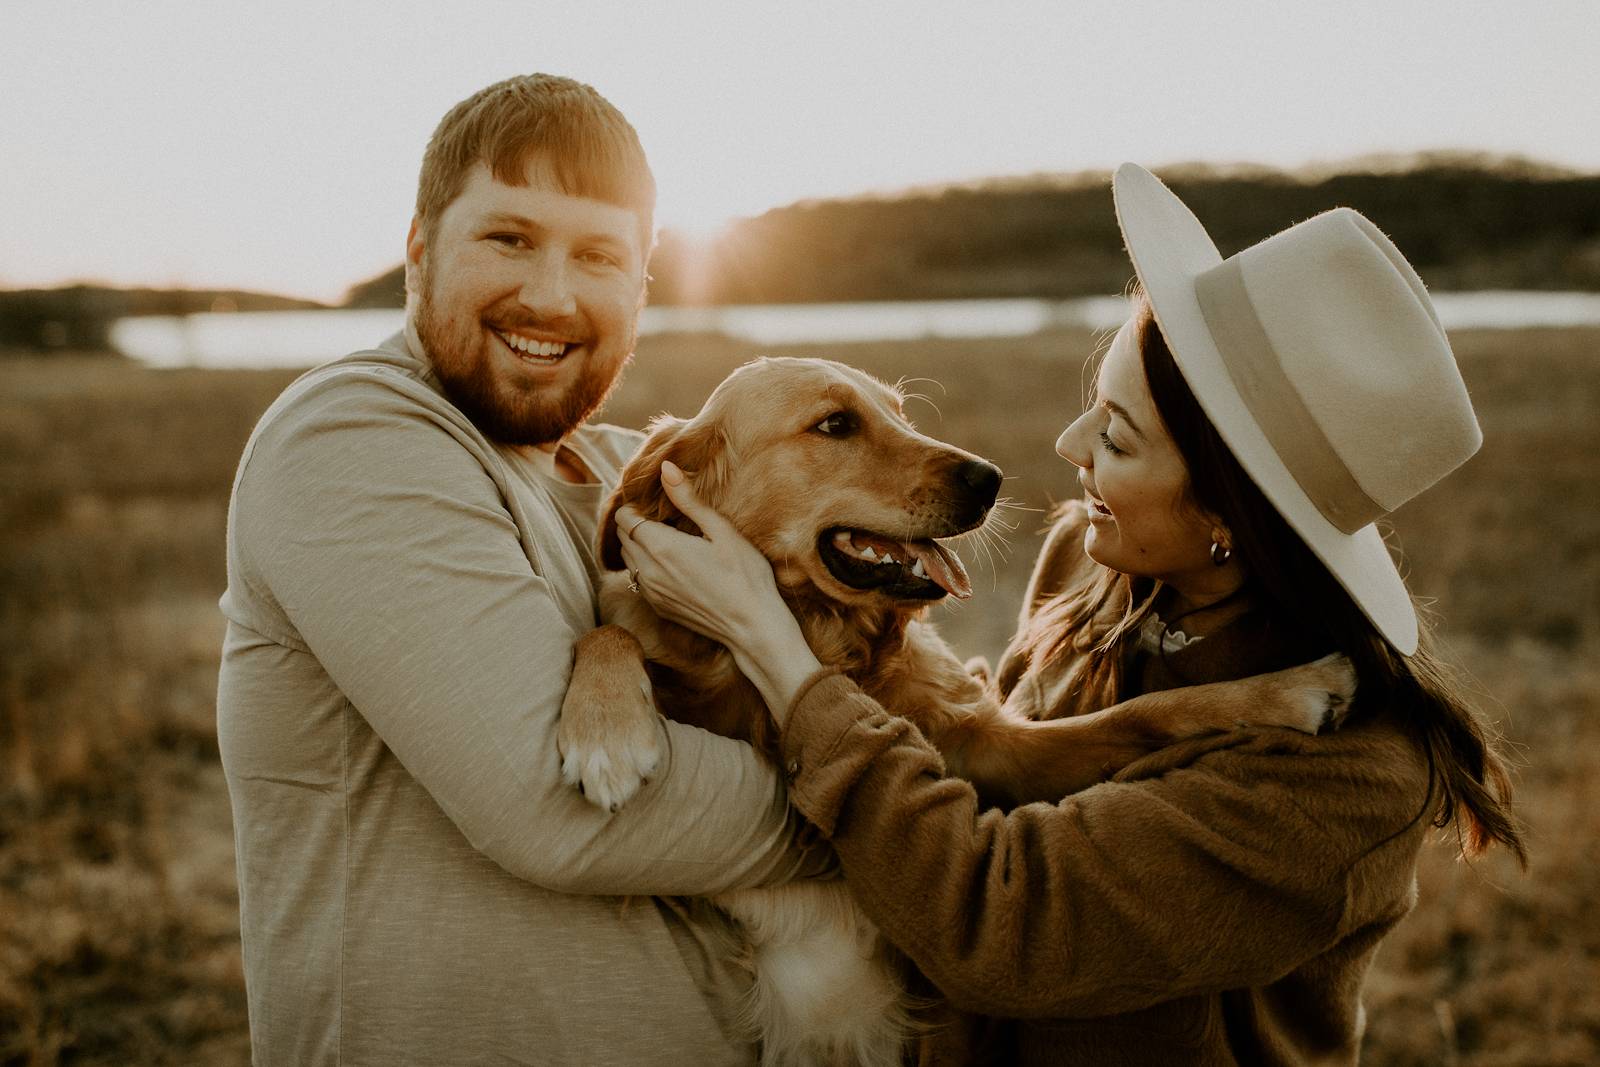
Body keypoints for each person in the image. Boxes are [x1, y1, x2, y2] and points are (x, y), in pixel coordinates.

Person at [614, 163, 1526, 1065]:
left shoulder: (1352, 779)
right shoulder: (1088, 578)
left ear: (1224, 512)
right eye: (1095, 406)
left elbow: (997, 924)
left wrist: (783, 661)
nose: (1065, 445)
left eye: (1117, 435)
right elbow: (987, 767)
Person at [216, 74, 828, 1066]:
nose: (550, 293)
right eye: (508, 238)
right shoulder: (353, 436)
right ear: (419, 251)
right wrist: (896, 817)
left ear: (638, 289)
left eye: (596, 256)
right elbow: (559, 811)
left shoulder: (627, 473)